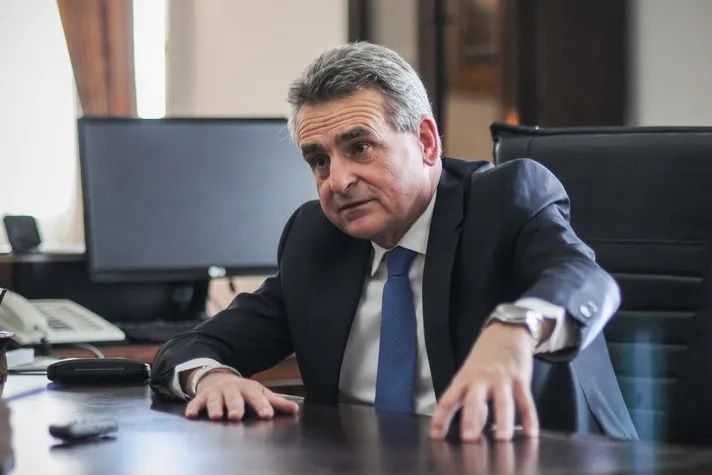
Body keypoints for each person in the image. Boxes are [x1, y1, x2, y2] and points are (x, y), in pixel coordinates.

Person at [151, 42, 637, 442]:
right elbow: (193, 345)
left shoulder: (502, 201)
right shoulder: (315, 239)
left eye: (360, 147)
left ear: (426, 142)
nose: (338, 181)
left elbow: (585, 280)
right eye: (319, 161)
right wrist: (211, 377)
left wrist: (516, 328)